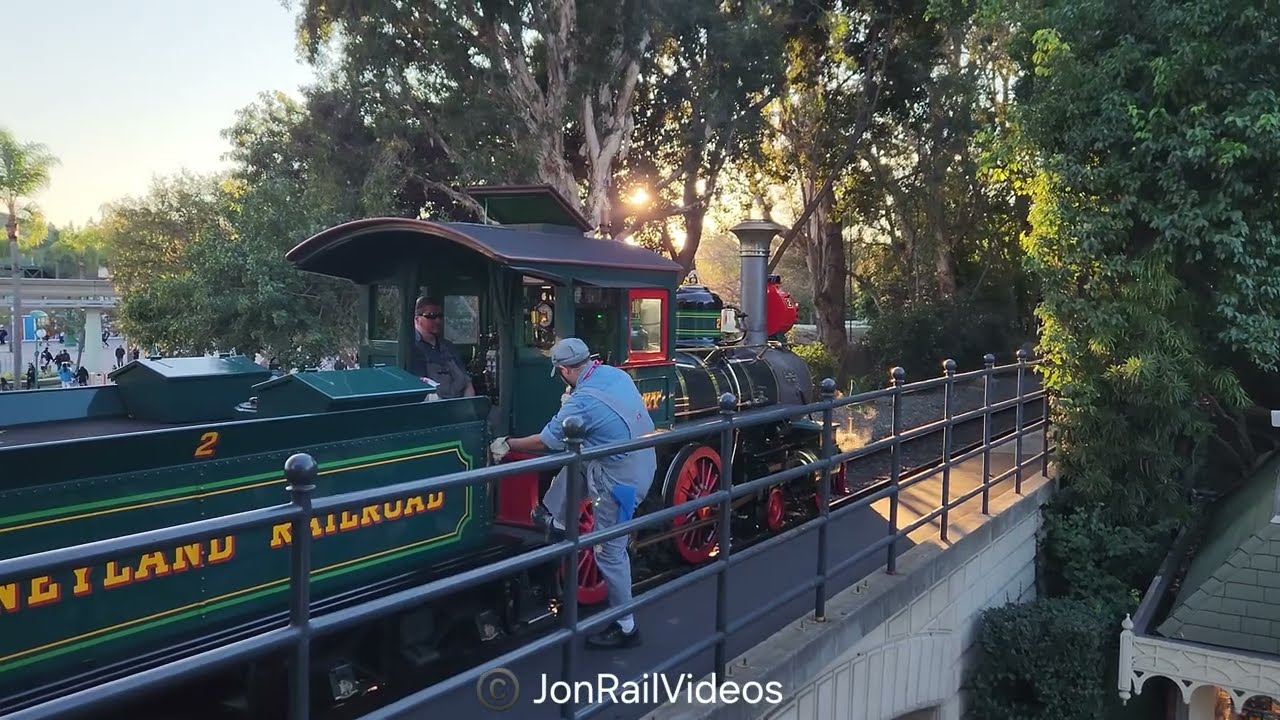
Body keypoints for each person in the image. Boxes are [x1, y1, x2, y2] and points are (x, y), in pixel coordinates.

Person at [490, 338, 657, 650]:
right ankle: (557, 520)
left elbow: (546, 442)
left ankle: (626, 626)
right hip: (642, 457)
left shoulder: (581, 402)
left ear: (565, 370)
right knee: (578, 461)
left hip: (621, 483)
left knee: (610, 552)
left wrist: (507, 443)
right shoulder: (615, 374)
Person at [407, 296, 475, 399]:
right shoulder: (412, 349)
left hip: (460, 403)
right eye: (431, 316)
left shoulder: (448, 347)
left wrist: (469, 404)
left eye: (440, 316)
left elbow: (467, 383)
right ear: (417, 319)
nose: (438, 321)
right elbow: (418, 391)